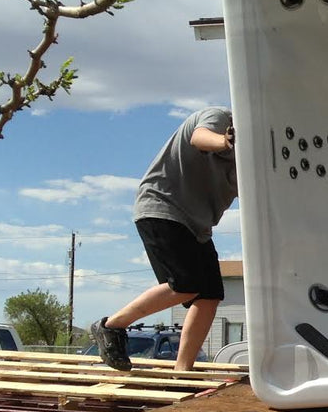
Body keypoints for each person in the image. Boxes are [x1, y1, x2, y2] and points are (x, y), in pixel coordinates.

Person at [90, 107, 237, 372]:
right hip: (162, 206)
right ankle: (111, 326)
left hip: (198, 226)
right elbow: (200, 137)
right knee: (186, 284)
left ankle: (183, 370)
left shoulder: (253, 160)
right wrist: (226, 140)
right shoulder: (221, 117)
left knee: (209, 296)